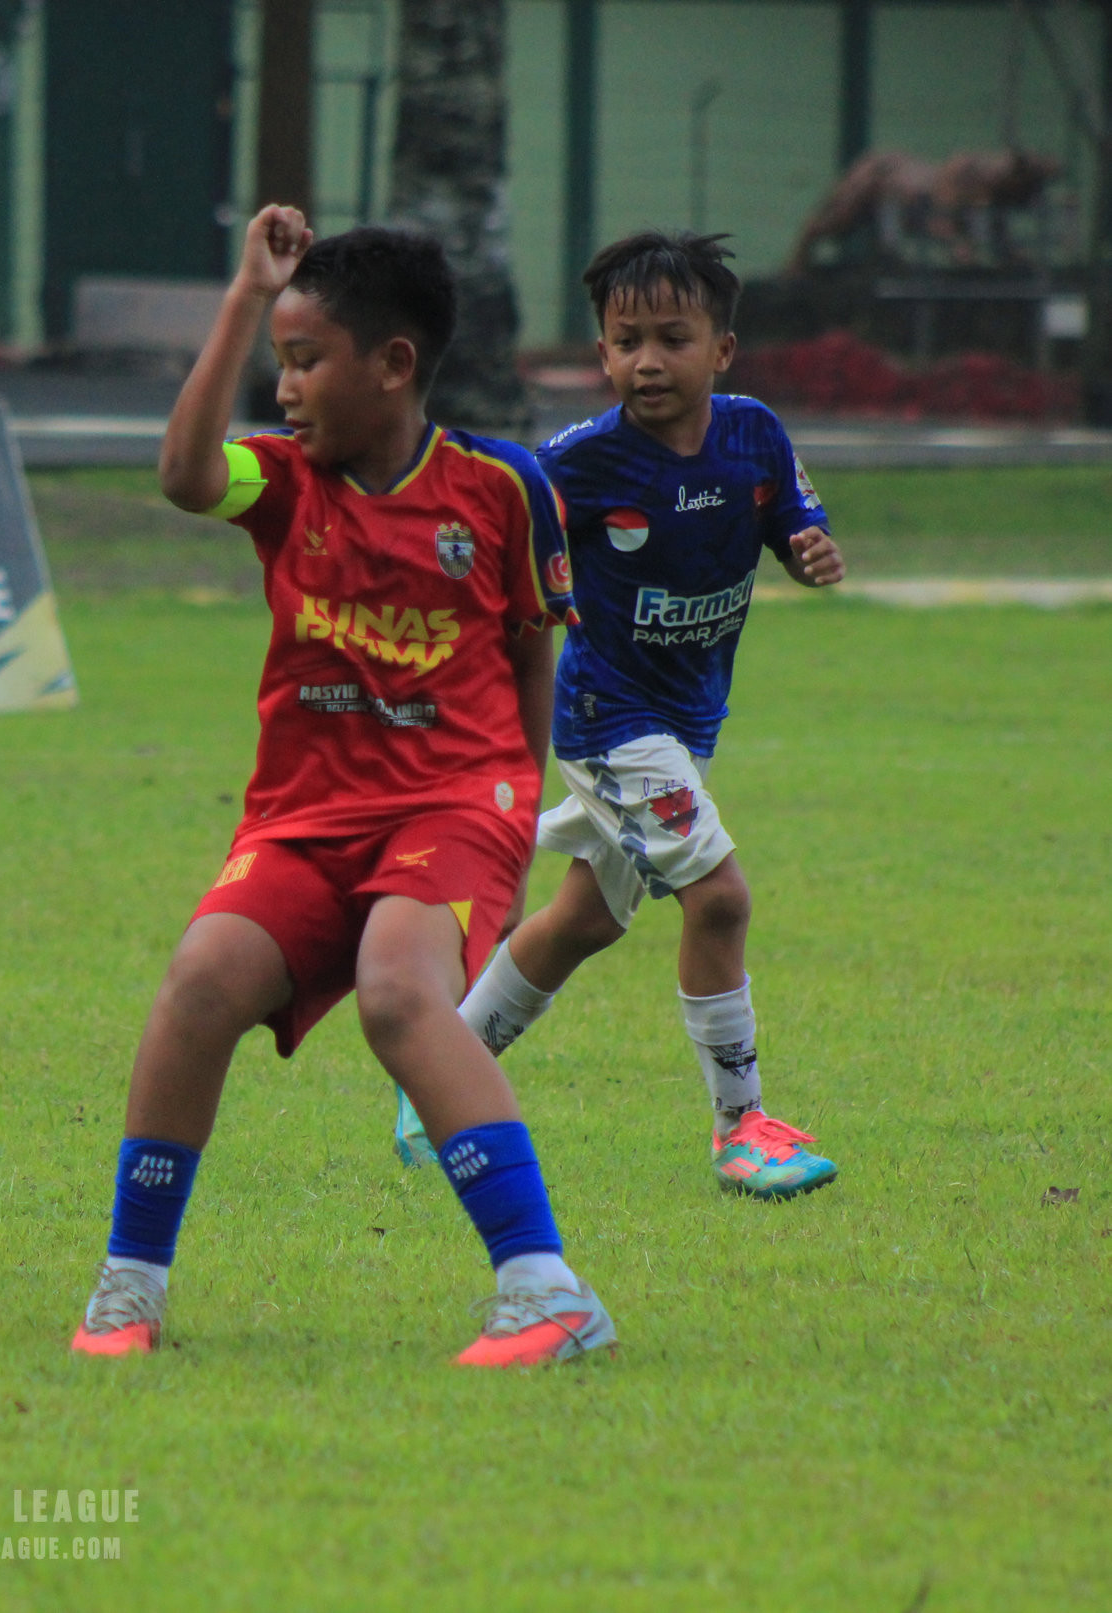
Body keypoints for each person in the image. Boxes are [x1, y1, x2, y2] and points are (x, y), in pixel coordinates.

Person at [70, 211, 616, 1368]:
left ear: (393, 363)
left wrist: (512, 819)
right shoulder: (280, 482)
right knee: (199, 980)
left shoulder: (502, 488)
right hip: (305, 815)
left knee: (397, 995)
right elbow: (182, 475)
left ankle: (547, 1290)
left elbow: (533, 654)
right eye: (277, 359)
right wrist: (241, 296)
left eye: (305, 360)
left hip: (454, 800)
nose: (283, 388)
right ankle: (129, 1286)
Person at [394, 231, 844, 1199]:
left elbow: (793, 520)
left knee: (584, 918)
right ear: (600, 353)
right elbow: (490, 534)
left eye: (672, 338)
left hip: (688, 720)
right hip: (608, 719)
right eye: (625, 341)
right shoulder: (581, 463)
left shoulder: (754, 435)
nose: (647, 360)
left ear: (721, 349)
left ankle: (439, 1073)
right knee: (719, 898)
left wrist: (809, 548)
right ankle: (740, 1130)